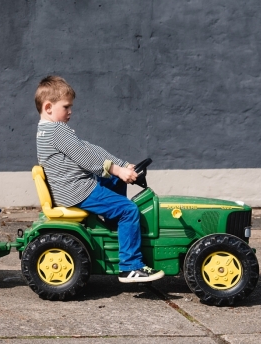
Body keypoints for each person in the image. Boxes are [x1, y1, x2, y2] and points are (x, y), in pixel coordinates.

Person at [35, 75, 164, 283]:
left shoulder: (46, 130)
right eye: (66, 107)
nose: (70, 112)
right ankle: (130, 266)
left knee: (117, 181)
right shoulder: (57, 130)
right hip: (77, 190)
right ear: (49, 107)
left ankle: (118, 227)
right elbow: (84, 156)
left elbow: (88, 147)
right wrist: (117, 169)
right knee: (128, 210)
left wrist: (120, 166)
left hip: (72, 186)